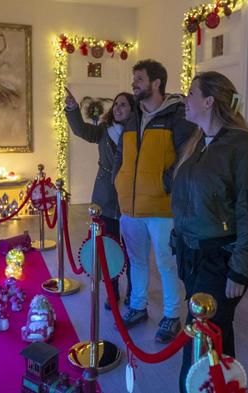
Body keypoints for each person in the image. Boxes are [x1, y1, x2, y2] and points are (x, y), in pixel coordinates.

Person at [170, 71, 248, 391]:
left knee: (197, 342)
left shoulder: (245, 146)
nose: (185, 100)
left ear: (209, 101)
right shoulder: (198, 142)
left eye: (190, 93)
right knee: (217, 336)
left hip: (220, 259)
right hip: (190, 254)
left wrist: (240, 272)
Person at [113, 59, 195, 343]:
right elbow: (121, 157)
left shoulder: (177, 115)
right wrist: (119, 182)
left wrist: (164, 184)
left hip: (162, 207)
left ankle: (172, 315)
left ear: (156, 83)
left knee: (166, 262)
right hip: (131, 206)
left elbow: (187, 156)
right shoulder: (133, 117)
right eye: (133, 78)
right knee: (136, 261)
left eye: (139, 78)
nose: (133, 83)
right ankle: (137, 306)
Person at [65, 89, 136, 309]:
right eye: (116, 104)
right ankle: (112, 292)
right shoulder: (105, 131)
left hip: (131, 197)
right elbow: (81, 130)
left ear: (133, 110)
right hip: (105, 197)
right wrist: (73, 108)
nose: (118, 108)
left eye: (123, 104)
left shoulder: (138, 132)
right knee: (110, 247)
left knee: (133, 250)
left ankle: (135, 293)